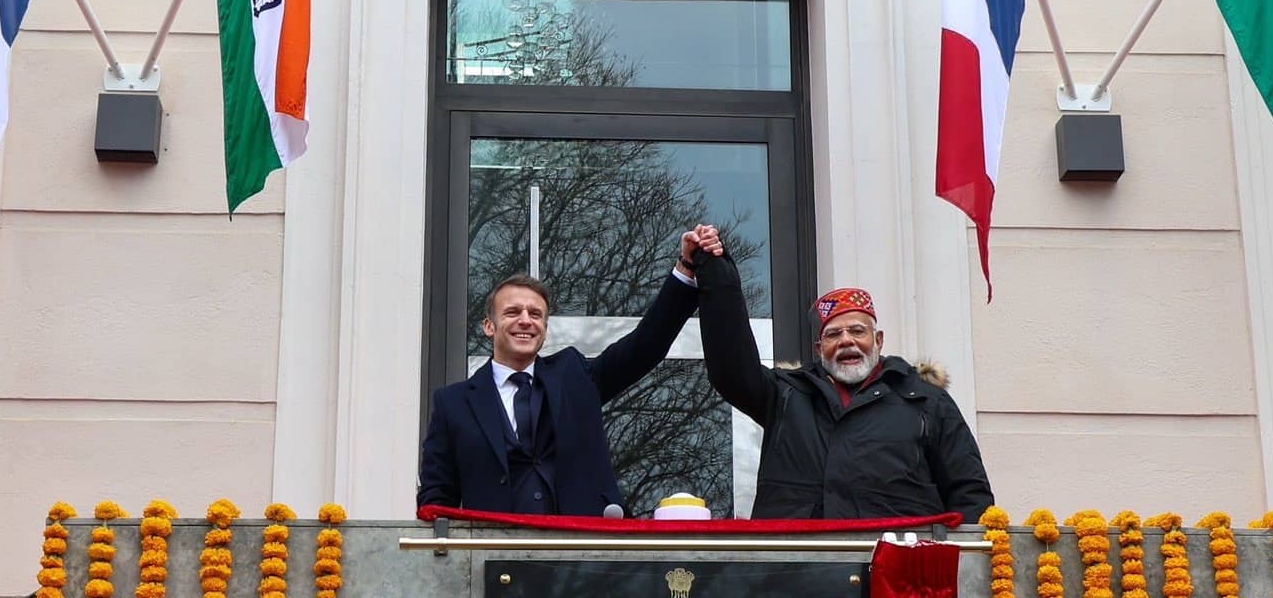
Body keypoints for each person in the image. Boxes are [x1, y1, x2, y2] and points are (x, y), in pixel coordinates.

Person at [686, 227, 994, 523]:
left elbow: (969, 494)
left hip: (899, 559)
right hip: (800, 559)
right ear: (819, 348)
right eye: (833, 334)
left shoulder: (927, 401)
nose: (846, 340)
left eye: (858, 331)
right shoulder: (786, 396)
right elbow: (732, 370)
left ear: (879, 340)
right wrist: (715, 271)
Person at [415, 227, 710, 516]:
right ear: (489, 326)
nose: (525, 320)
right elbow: (437, 499)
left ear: (544, 328)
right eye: (512, 312)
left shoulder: (573, 376)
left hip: (580, 544)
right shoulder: (453, 404)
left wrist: (685, 268)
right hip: (495, 547)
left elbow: (644, 347)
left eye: (535, 314)